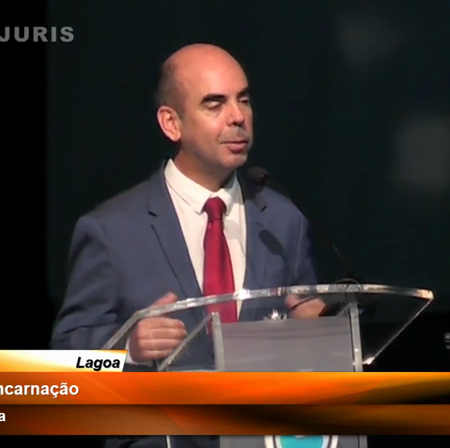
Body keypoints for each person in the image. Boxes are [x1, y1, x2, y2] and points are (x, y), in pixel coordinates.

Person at [50, 43, 325, 448]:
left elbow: (309, 336)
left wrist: (317, 329)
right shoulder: (110, 230)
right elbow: (65, 361)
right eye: (215, 104)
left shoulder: (284, 220)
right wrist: (128, 349)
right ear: (171, 123)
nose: (238, 117)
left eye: (243, 100)